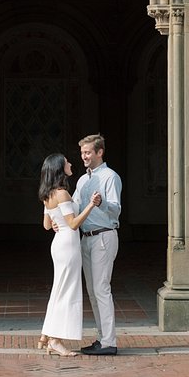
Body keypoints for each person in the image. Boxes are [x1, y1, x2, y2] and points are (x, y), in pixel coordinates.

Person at [37, 152, 101, 357]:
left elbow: (47, 225)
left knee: (59, 290)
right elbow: (73, 224)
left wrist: (57, 222)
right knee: (68, 292)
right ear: (59, 168)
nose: (71, 164)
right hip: (68, 245)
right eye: (66, 163)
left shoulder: (48, 194)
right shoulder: (62, 193)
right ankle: (55, 340)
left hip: (60, 244)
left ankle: (47, 335)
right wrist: (91, 205)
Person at [72, 133, 122, 356]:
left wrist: (101, 204)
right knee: (92, 291)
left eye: (88, 152)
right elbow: (73, 207)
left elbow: (116, 209)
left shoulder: (110, 177)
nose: (84, 156)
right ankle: (102, 338)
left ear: (99, 152)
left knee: (102, 289)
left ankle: (109, 341)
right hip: (86, 238)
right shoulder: (82, 180)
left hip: (104, 236)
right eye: (82, 152)